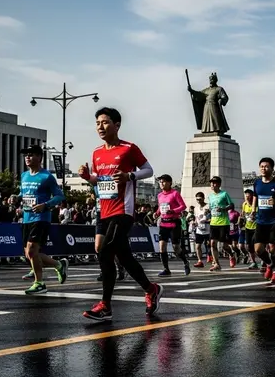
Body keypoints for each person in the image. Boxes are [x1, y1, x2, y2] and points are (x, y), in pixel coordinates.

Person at [78, 107, 163, 320]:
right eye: (98, 123)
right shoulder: (97, 152)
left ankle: (105, 305)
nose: (100, 127)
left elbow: (149, 170)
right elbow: (98, 182)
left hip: (123, 210)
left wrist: (129, 176)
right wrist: (88, 177)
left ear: (117, 125)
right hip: (104, 210)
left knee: (106, 250)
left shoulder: (128, 148)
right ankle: (150, 289)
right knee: (121, 255)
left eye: (105, 122)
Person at [19, 144, 68, 294]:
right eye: (26, 154)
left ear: (40, 157)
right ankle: (58, 265)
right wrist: (16, 198)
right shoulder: (24, 175)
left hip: (41, 217)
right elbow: (23, 193)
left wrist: (45, 205)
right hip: (27, 218)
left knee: (33, 250)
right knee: (29, 254)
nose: (28, 157)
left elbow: (60, 196)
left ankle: (39, 283)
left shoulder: (47, 177)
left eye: (31, 154)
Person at [252, 157, 275, 284]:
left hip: (274, 221)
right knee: (258, 249)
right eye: (261, 166)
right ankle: (269, 264)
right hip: (261, 220)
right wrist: (253, 210)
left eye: (266, 166)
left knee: (273, 248)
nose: (263, 168)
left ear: (272, 169)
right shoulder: (257, 183)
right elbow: (255, 197)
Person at [154, 174, 190, 276]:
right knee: (162, 247)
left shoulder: (175, 193)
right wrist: (156, 213)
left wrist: (173, 211)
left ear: (170, 183)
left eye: (164, 181)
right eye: (160, 182)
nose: (161, 183)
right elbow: (161, 207)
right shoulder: (160, 195)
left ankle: (185, 262)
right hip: (163, 223)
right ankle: (166, 269)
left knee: (176, 247)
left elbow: (183, 206)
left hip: (174, 223)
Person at [207, 176, 235, 271]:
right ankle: (217, 264)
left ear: (219, 184)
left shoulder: (224, 194)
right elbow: (211, 208)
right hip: (213, 222)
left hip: (223, 223)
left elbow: (231, 205)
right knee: (213, 244)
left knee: (224, 246)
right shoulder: (210, 196)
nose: (212, 184)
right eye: (211, 183)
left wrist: (223, 208)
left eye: (214, 183)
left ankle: (231, 254)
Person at [192, 192, 211, 268]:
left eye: (200, 199)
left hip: (208, 229)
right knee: (198, 246)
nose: (198, 201)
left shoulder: (208, 206)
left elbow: (211, 217)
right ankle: (200, 261)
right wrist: (195, 223)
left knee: (210, 245)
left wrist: (206, 221)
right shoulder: (196, 208)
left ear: (203, 198)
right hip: (199, 230)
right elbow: (197, 218)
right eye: (197, 199)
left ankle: (212, 258)